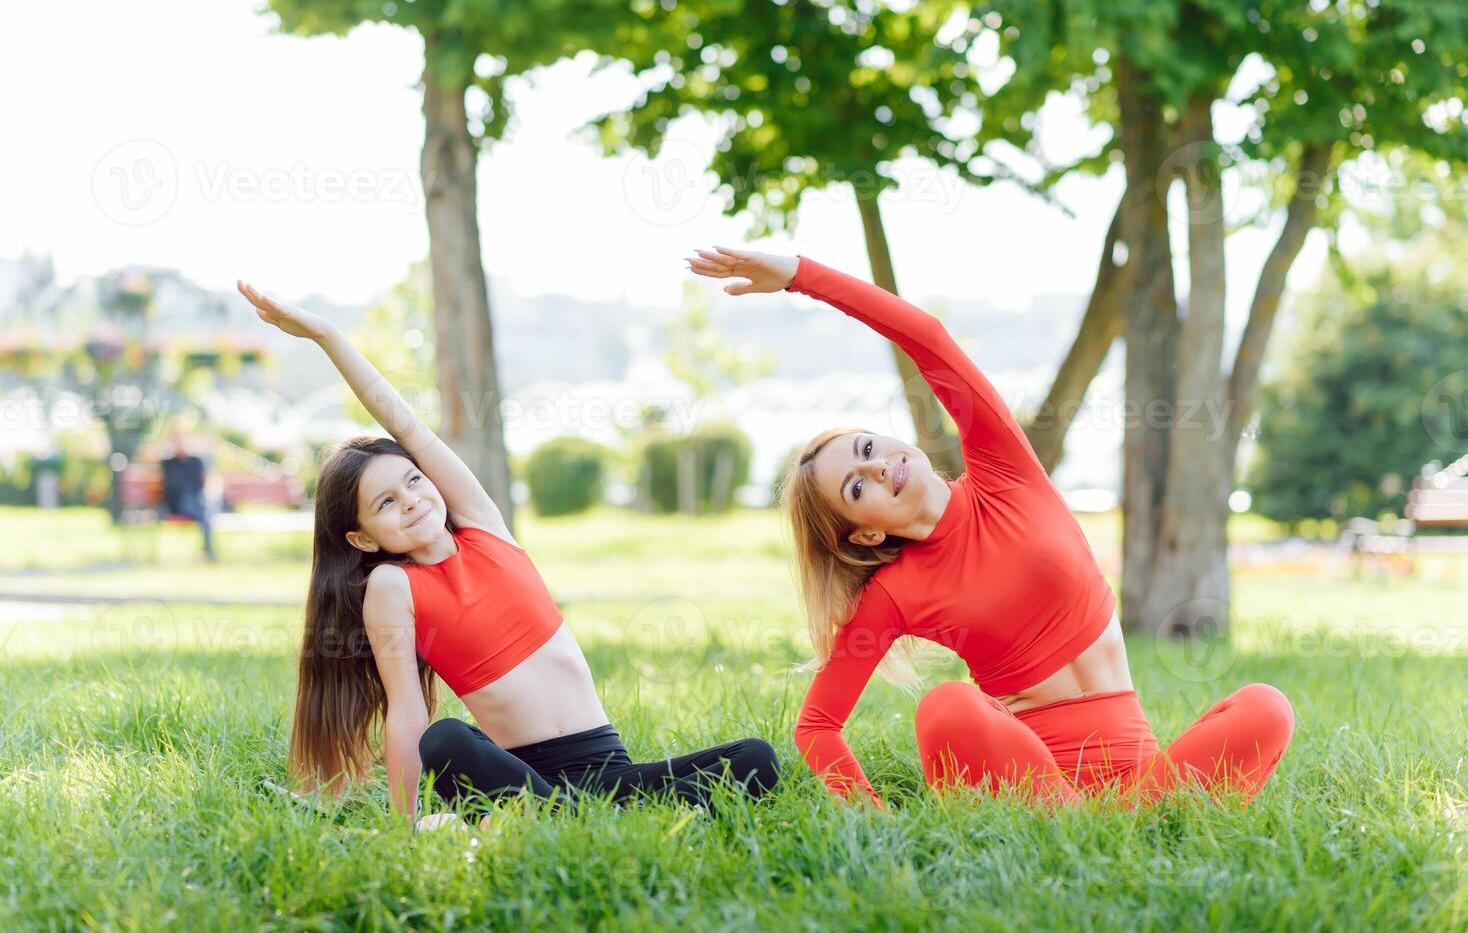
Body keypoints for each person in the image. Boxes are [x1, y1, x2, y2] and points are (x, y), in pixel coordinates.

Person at [685, 247, 1294, 809]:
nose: (875, 465)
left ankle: (1117, 823)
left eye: (867, 445)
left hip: (1144, 774)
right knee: (947, 706)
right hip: (1029, 782)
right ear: (864, 535)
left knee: (1267, 706)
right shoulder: (895, 594)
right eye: (856, 487)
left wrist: (799, 274)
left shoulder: (1005, 470)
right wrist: (873, 821)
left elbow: (926, 338)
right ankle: (1095, 827)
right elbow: (817, 727)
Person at [236, 280, 779, 826]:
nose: (411, 500)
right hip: (524, 776)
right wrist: (406, 828)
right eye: (385, 502)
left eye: (413, 481)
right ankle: (578, 819)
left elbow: (405, 423)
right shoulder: (393, 586)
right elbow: (407, 713)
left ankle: (588, 820)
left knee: (756, 758)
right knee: (446, 740)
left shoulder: (485, 527)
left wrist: (328, 335)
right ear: (363, 539)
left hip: (610, 768)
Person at [161, 425, 216, 562]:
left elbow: (200, 485)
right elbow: (173, 486)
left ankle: (208, 551)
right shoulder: (168, 463)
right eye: (176, 439)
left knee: (204, 510)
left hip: (194, 501)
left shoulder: (196, 461)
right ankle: (208, 551)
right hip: (177, 503)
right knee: (203, 511)